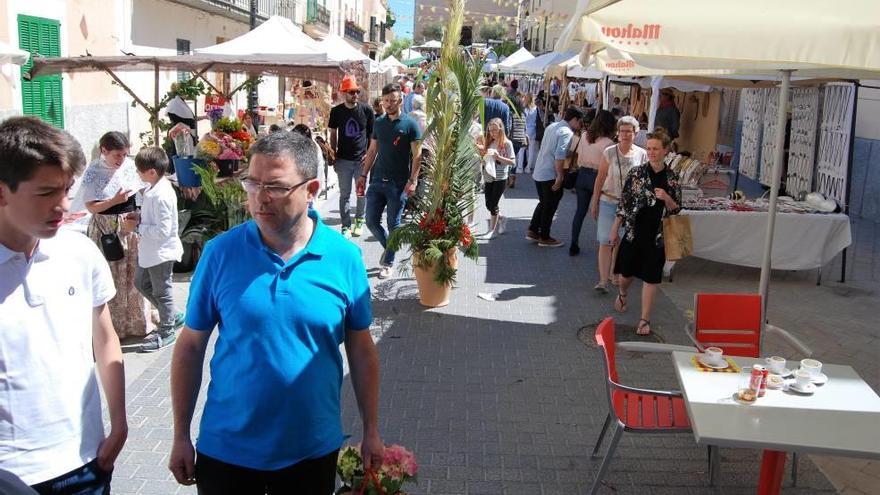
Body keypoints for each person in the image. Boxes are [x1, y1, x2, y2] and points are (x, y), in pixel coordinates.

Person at [168, 131, 382, 493]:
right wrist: (180, 434)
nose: (259, 198)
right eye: (252, 183)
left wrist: (371, 430)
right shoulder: (220, 253)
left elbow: (361, 349)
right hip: (227, 452)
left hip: (311, 452)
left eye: (276, 187)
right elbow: (190, 347)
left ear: (311, 189)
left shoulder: (345, 257)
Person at [0, 116, 127, 493]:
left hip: (86, 463)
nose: (63, 205)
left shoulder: (79, 252)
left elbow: (104, 338)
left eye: (67, 189)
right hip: (10, 474)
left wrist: (119, 422)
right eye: (46, 193)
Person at [80, 131, 152, 340]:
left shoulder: (128, 166)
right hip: (106, 229)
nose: (121, 160)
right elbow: (91, 207)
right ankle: (113, 329)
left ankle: (137, 324)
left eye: (124, 155)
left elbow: (139, 191)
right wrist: (114, 200)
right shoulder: (94, 171)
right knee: (111, 278)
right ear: (104, 151)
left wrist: (138, 213)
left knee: (133, 276)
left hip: (128, 227)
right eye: (117, 155)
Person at [610, 127, 681, 336]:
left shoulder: (672, 177)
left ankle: (644, 319)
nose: (651, 152)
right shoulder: (637, 173)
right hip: (634, 233)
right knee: (626, 275)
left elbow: (677, 209)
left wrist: (667, 198)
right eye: (649, 148)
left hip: (657, 237)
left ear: (666, 150)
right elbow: (624, 204)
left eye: (656, 149)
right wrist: (615, 229)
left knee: (651, 279)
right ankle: (623, 293)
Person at [357, 83, 422, 279]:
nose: (388, 104)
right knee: (370, 221)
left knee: (394, 224)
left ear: (400, 101)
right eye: (386, 101)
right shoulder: (378, 123)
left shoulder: (410, 124)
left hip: (398, 183)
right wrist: (363, 175)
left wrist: (413, 180)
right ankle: (390, 249)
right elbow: (372, 150)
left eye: (393, 101)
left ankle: (388, 262)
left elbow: (417, 155)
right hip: (377, 180)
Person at [124, 147, 184, 352]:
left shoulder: (161, 195)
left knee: (162, 291)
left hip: (161, 252)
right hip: (151, 251)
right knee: (141, 283)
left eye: (139, 171)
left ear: (151, 172)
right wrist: (139, 218)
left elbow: (163, 230)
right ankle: (172, 315)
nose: (137, 174)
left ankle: (167, 330)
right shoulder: (152, 189)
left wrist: (138, 227)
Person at [591, 116, 647, 293]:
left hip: (630, 206)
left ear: (635, 133)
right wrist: (595, 203)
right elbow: (600, 178)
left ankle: (615, 273)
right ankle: (602, 281)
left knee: (621, 242)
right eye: (622, 131)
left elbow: (644, 181)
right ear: (618, 132)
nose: (625, 134)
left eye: (628, 131)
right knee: (606, 241)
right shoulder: (609, 152)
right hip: (608, 200)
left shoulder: (641, 154)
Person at [527, 106, 583, 248]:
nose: (579, 126)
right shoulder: (566, 132)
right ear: (575, 120)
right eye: (579, 122)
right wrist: (559, 175)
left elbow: (553, 150)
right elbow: (559, 156)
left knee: (544, 202)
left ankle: (533, 230)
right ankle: (544, 237)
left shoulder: (552, 126)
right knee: (550, 205)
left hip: (540, 171)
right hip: (550, 174)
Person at [328, 75, 374, 238]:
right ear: (344, 93)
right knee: (345, 194)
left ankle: (359, 221)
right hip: (343, 160)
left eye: (356, 92)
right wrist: (332, 155)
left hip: (361, 160)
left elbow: (372, 135)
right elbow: (333, 134)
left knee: (361, 192)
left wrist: (369, 154)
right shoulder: (336, 112)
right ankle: (346, 226)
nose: (355, 95)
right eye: (351, 92)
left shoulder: (367, 110)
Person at [569, 109, 615, 256]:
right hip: (598, 177)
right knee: (601, 213)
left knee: (580, 212)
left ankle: (573, 243)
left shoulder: (584, 136)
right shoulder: (609, 143)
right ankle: (603, 247)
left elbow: (578, 156)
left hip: (582, 175)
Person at [479, 118, 515, 240]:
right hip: (488, 175)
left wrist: (498, 157)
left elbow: (512, 162)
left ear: (501, 129)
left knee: (493, 204)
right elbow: (485, 159)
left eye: (495, 130)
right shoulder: (489, 142)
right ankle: (501, 218)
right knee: (488, 204)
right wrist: (483, 155)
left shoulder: (507, 143)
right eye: (490, 130)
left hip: (500, 177)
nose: (492, 133)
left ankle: (491, 231)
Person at [506, 92, 527, 189]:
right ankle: (512, 176)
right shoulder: (522, 114)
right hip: (520, 140)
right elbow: (525, 128)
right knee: (514, 157)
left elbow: (509, 127)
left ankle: (510, 177)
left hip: (512, 139)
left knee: (510, 159)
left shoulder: (512, 114)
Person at [527, 97, 546, 175]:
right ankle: (530, 166)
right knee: (533, 150)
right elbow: (542, 120)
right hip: (534, 131)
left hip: (528, 131)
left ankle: (527, 167)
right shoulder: (537, 110)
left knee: (528, 150)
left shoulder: (527, 109)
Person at [521, 93, 536, 174]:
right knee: (531, 150)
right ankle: (528, 168)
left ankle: (519, 168)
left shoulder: (524, 109)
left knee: (522, 149)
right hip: (533, 130)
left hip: (525, 130)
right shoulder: (535, 108)